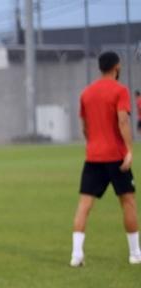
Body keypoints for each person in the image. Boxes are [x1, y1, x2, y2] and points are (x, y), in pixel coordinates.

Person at [71, 51, 141, 267]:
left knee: (84, 205)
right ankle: (135, 254)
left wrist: (92, 143)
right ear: (117, 67)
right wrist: (129, 150)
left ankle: (76, 255)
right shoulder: (120, 90)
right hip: (116, 157)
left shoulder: (86, 93)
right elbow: (123, 121)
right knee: (128, 202)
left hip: (93, 157)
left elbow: (84, 126)